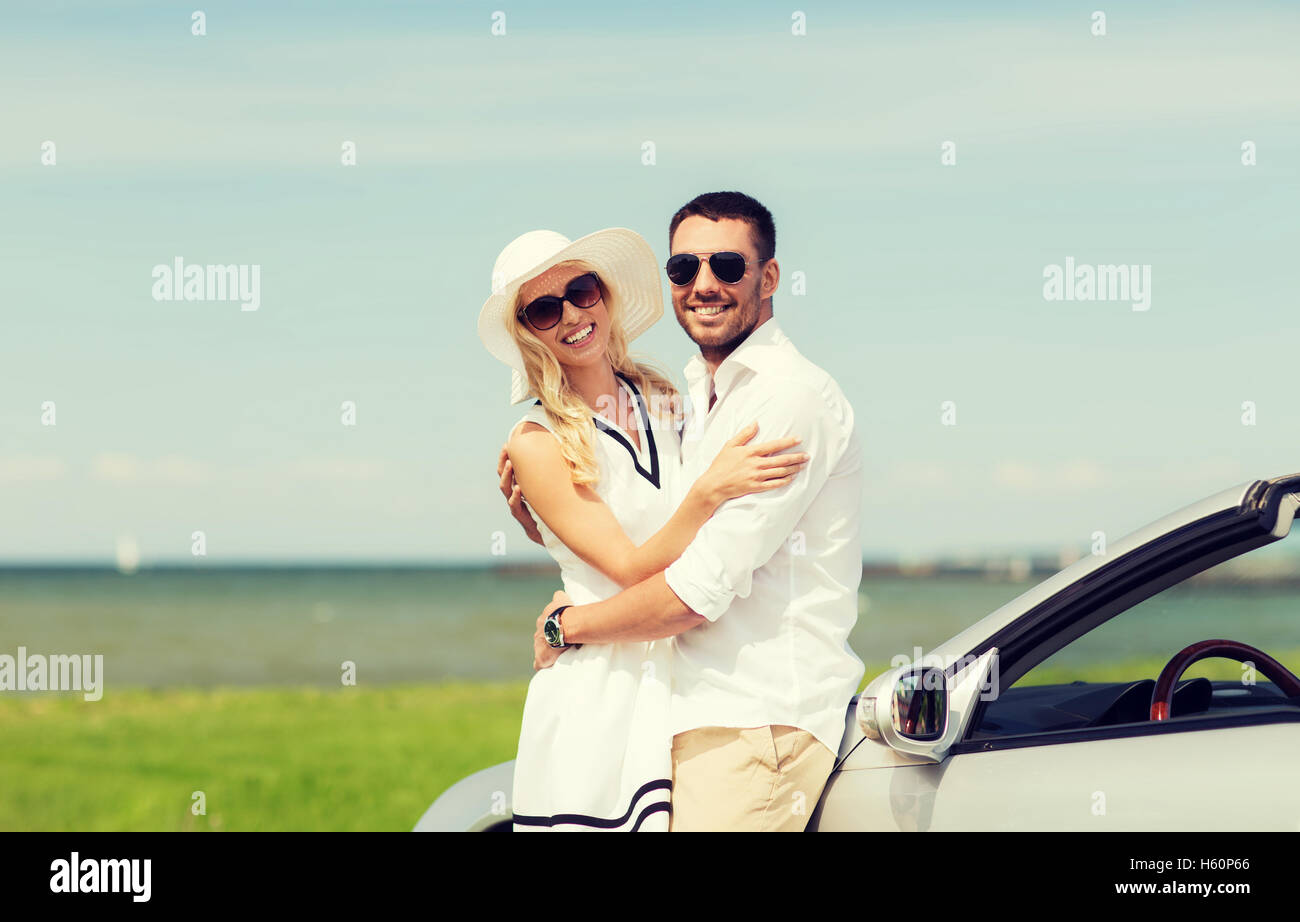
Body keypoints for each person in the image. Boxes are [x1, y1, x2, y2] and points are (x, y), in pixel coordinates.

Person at [514, 192, 865, 832]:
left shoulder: (783, 398)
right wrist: (552, 534)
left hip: (754, 716)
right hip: (663, 706)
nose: (704, 285)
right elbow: (636, 541)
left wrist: (569, 625)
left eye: (728, 266)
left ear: (769, 277)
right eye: (683, 269)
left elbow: (693, 593)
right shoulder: (693, 396)